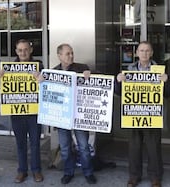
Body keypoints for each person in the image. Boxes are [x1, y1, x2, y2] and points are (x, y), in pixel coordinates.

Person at [116, 41, 170, 187]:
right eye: (141, 50)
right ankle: (134, 176)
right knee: (134, 147)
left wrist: (166, 82)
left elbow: (168, 94)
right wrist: (119, 82)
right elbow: (119, 93)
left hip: (151, 114)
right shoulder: (129, 69)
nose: (144, 53)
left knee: (154, 148)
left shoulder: (159, 70)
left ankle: (155, 177)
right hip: (134, 114)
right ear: (136, 53)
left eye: (147, 51)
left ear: (151, 53)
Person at [0, 39, 44, 183]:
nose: (23, 52)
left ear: (31, 50)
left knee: (35, 143)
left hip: (34, 112)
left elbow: (45, 85)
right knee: (20, 143)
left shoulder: (39, 65)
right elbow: (2, 87)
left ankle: (36, 170)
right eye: (20, 50)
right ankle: (22, 171)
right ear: (16, 52)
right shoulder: (9, 67)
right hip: (16, 112)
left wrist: (41, 78)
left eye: (26, 49)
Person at [52, 43, 97, 185]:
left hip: (79, 115)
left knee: (83, 146)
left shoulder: (82, 68)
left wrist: (90, 76)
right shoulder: (53, 72)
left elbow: (96, 84)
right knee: (65, 147)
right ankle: (68, 172)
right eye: (67, 54)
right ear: (59, 56)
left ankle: (88, 172)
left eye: (72, 53)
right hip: (62, 115)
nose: (71, 56)